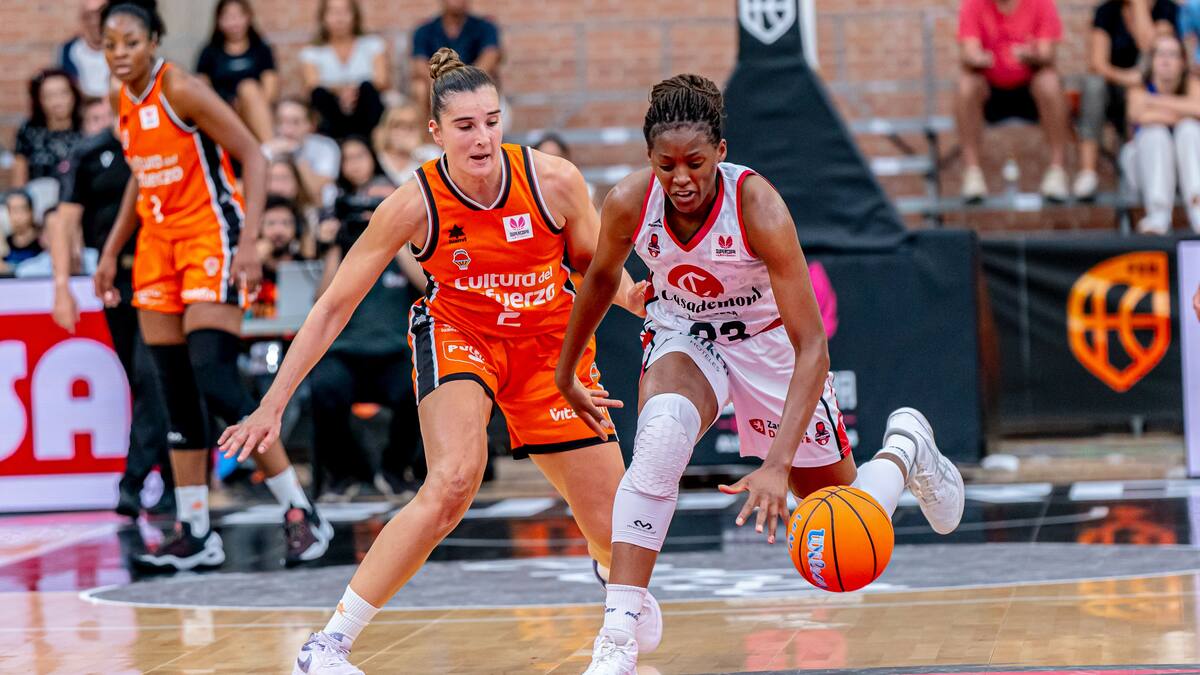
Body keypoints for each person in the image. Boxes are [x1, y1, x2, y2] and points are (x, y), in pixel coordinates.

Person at [217, 48, 661, 675]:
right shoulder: (412, 203)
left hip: (548, 349)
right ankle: (328, 646)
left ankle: (607, 567)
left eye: (491, 121)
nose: (481, 137)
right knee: (453, 481)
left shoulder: (553, 179)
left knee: (619, 535)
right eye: (465, 125)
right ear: (436, 133)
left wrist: (645, 302)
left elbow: (594, 268)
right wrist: (273, 400)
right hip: (461, 336)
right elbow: (332, 306)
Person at [554, 74, 966, 673]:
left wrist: (775, 464)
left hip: (772, 347)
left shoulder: (758, 207)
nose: (681, 178)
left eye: (695, 162)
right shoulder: (626, 203)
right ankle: (617, 633)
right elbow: (596, 280)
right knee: (661, 439)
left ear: (721, 153)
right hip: (687, 334)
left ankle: (906, 448)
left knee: (839, 537)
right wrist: (567, 370)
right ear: (649, 158)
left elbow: (812, 346)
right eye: (666, 164)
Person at [93, 0, 332, 571]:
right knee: (172, 390)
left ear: (154, 40)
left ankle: (300, 512)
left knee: (214, 374)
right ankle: (196, 531)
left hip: (210, 235)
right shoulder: (117, 99)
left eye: (130, 42)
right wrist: (110, 251)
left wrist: (248, 241)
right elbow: (139, 177)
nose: (120, 53)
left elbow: (251, 151)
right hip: (156, 245)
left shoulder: (183, 90)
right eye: (110, 44)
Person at [51, 95, 173, 518]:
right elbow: (63, 220)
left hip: (162, 273)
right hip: (115, 276)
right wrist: (62, 286)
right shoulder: (88, 152)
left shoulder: (160, 140)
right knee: (146, 381)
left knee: (153, 371)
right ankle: (175, 486)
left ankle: (134, 481)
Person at [308, 179, 423, 501]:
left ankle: (394, 469)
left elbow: (428, 285)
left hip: (396, 351)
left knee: (418, 385)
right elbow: (323, 299)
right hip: (345, 352)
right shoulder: (348, 246)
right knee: (324, 388)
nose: (376, 213)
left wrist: (397, 237)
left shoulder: (413, 244)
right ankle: (343, 474)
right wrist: (335, 244)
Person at [956, 0, 1071, 201]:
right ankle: (972, 173)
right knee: (966, 83)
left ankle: (1057, 171)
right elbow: (968, 52)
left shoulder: (1041, 4)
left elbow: (1047, 54)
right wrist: (978, 58)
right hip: (990, 92)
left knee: (1050, 81)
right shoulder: (973, 4)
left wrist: (1031, 56)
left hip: (1030, 90)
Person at [1076, 0, 1179, 199]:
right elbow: (1097, 63)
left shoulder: (1166, 9)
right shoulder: (1107, 11)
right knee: (1092, 85)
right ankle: (1087, 173)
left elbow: (1151, 48)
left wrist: (1138, 5)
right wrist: (1128, 78)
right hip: (1114, 89)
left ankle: (1140, 169)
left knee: (1138, 92)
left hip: (1151, 91)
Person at [1121, 33, 1200, 233]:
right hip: (1142, 170)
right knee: (1156, 134)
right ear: (1152, 60)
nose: (1166, 60)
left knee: (1189, 131)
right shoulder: (1137, 87)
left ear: (1183, 62)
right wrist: (1184, 112)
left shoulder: (1192, 85)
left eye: (1173, 54)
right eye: (1160, 54)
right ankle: (1158, 217)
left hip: (1187, 170)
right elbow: (1139, 116)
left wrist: (1154, 102)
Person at [299, 0, 388, 141]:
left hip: (365, 107)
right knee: (319, 94)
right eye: (333, 12)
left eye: (345, 11)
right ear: (323, 17)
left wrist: (354, 90)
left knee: (367, 88)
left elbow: (382, 80)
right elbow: (312, 84)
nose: (339, 18)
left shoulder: (373, 44)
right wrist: (341, 91)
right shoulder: (312, 52)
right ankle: (334, 143)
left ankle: (366, 142)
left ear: (355, 15)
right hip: (332, 110)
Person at [196, 0, 278, 142]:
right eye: (227, 17)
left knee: (248, 88)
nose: (234, 23)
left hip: (255, 108)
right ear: (219, 21)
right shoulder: (209, 52)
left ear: (248, 17)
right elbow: (202, 87)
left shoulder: (261, 49)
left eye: (238, 16)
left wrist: (251, 107)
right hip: (223, 112)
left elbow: (270, 87)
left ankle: (269, 146)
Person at [411, 0, 501, 117]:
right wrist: (441, 82)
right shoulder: (424, 30)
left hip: (473, 82)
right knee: (420, 88)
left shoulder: (485, 27)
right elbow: (420, 65)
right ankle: (429, 133)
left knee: (488, 81)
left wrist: (464, 80)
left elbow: (490, 58)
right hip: (436, 83)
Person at [13, 68, 84, 189]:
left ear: (74, 95)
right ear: (39, 100)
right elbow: (19, 181)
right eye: (49, 96)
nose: (58, 101)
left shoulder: (87, 128)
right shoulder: (29, 131)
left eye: (64, 93)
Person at [265, 98, 342, 205]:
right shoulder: (267, 149)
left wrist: (297, 155)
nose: (287, 129)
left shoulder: (326, 147)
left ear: (310, 125)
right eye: (281, 121)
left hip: (318, 208)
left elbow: (316, 189)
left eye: (295, 122)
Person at [372, 104, 436, 186]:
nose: (404, 132)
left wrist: (415, 151)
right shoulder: (376, 157)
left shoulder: (431, 153)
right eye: (398, 126)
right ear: (387, 128)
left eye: (411, 127)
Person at [59, 0, 112, 98]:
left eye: (101, 14)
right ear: (82, 19)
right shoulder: (69, 51)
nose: (96, 21)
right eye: (89, 16)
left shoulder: (122, 50)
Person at [2, 190, 42, 274]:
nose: (17, 216)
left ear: (31, 211)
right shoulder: (5, 242)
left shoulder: (43, 241)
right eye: (13, 210)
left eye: (21, 209)